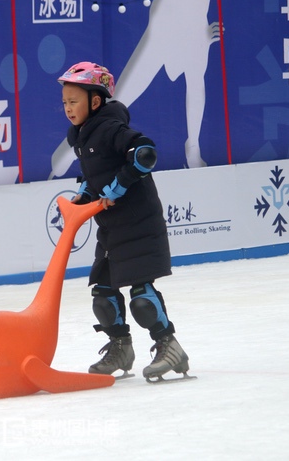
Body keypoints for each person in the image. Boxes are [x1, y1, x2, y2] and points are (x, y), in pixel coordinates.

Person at [58, 61, 191, 382]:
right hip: (111, 227)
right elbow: (96, 173)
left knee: (141, 296)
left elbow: (144, 153)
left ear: (96, 100)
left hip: (140, 222)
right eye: (64, 102)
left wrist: (118, 186)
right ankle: (121, 348)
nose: (68, 108)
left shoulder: (110, 127)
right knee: (103, 295)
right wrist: (85, 195)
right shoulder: (81, 134)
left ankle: (170, 347)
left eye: (74, 101)